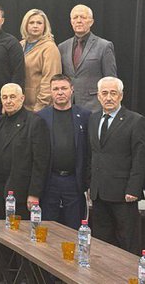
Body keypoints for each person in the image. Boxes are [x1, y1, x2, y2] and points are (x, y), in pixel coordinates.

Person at [88, 76, 145, 254]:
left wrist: (134, 189)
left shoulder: (135, 121)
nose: (109, 97)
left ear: (121, 96)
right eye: (105, 93)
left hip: (124, 194)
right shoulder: (93, 119)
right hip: (99, 193)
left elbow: (140, 158)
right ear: (98, 96)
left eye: (113, 93)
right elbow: (93, 154)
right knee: (101, 243)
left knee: (127, 242)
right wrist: (90, 184)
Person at [0, 83, 50, 219]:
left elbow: (40, 163)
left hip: (21, 192)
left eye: (12, 97)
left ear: (22, 98)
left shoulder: (35, 123)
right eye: (4, 97)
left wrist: (34, 193)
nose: (8, 101)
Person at [37, 74, 91, 229]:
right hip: (50, 180)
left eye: (64, 88)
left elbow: (89, 151)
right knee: (47, 227)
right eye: (55, 89)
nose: (60, 92)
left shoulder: (85, 116)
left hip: (74, 180)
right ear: (50, 92)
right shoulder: (41, 117)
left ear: (72, 90)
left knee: (74, 226)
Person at [58, 4, 118, 112]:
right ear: (71, 22)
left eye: (83, 17)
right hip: (68, 105)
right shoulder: (62, 47)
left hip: (94, 107)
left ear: (91, 22)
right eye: (75, 17)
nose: (79, 21)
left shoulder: (104, 46)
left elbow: (111, 80)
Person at [19, 9, 62, 111]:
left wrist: (41, 105)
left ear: (45, 26)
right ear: (25, 25)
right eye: (31, 22)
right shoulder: (20, 45)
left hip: (39, 106)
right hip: (22, 105)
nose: (35, 26)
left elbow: (50, 79)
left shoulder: (49, 48)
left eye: (39, 23)